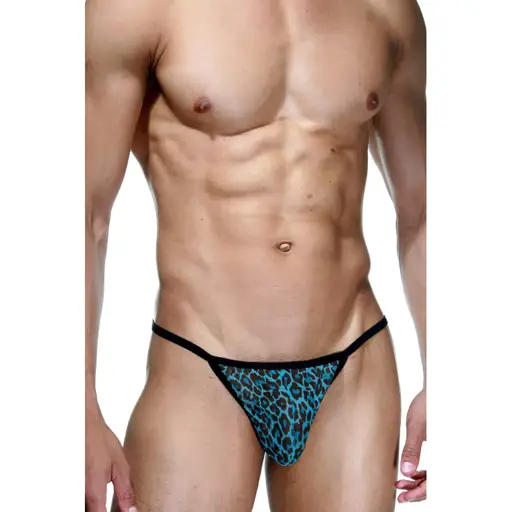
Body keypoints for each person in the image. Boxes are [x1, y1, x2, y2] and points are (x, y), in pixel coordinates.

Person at [85, 0, 426, 510]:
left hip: (352, 362)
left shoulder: (386, 9)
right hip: (199, 363)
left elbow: (422, 209)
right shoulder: (140, 8)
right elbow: (85, 214)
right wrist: (78, 403)